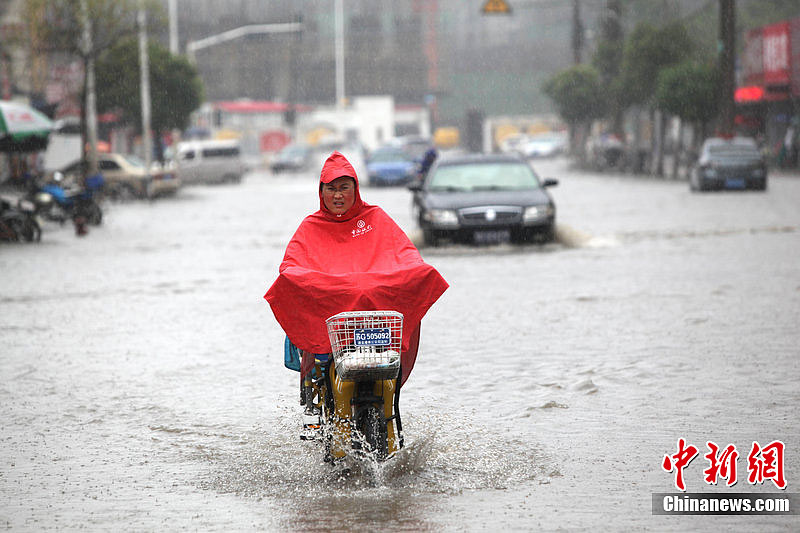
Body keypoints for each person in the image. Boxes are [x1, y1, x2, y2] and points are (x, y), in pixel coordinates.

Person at [264, 151, 448, 388]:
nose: (338, 195)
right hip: (333, 319)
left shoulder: (375, 218)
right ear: (321, 192)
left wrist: (417, 271)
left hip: (375, 322)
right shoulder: (311, 226)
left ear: (356, 189)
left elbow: (405, 254)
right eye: (331, 188)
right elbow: (291, 265)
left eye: (344, 187)